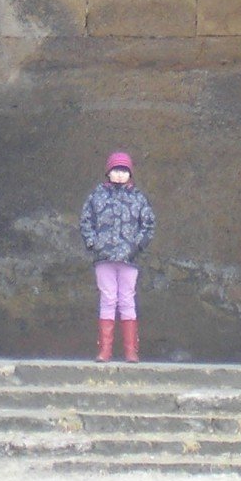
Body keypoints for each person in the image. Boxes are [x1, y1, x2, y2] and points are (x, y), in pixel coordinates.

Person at [78, 150, 156, 362]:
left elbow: (148, 224)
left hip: (129, 258)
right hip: (104, 257)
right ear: (108, 172)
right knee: (108, 299)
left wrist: (137, 246)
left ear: (130, 174)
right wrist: (93, 243)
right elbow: (86, 220)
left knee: (127, 300)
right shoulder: (97, 195)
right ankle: (105, 350)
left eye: (124, 171)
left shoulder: (138, 198)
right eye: (116, 170)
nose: (120, 175)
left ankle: (131, 351)